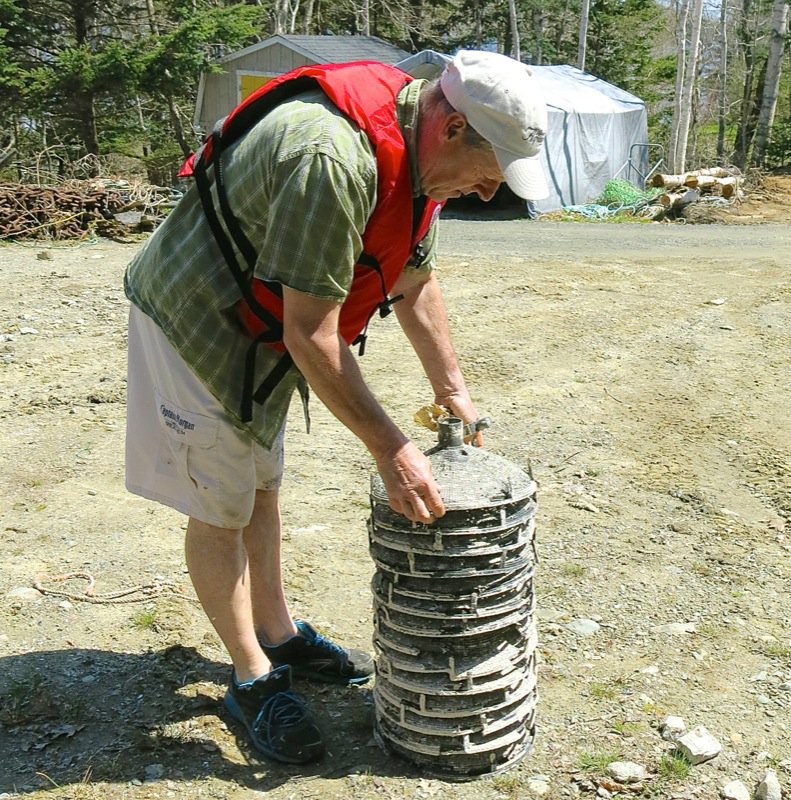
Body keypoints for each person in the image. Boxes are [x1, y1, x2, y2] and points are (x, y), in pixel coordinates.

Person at [123, 48, 549, 765]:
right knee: (219, 499)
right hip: (196, 316)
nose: (484, 194)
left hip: (263, 323)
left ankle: (278, 630)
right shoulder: (331, 159)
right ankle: (251, 676)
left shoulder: (418, 162)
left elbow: (414, 277)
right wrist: (392, 448)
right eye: (486, 173)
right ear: (450, 129)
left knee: (260, 480)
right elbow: (312, 334)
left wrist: (452, 390)